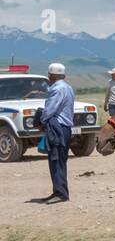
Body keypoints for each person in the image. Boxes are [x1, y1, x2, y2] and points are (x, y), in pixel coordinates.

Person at [32, 62, 74, 204]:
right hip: (64, 128)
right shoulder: (67, 87)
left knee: (56, 159)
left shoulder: (57, 89)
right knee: (58, 160)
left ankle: (61, 194)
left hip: (58, 128)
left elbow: (50, 109)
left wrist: (41, 121)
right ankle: (58, 191)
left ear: (51, 76)